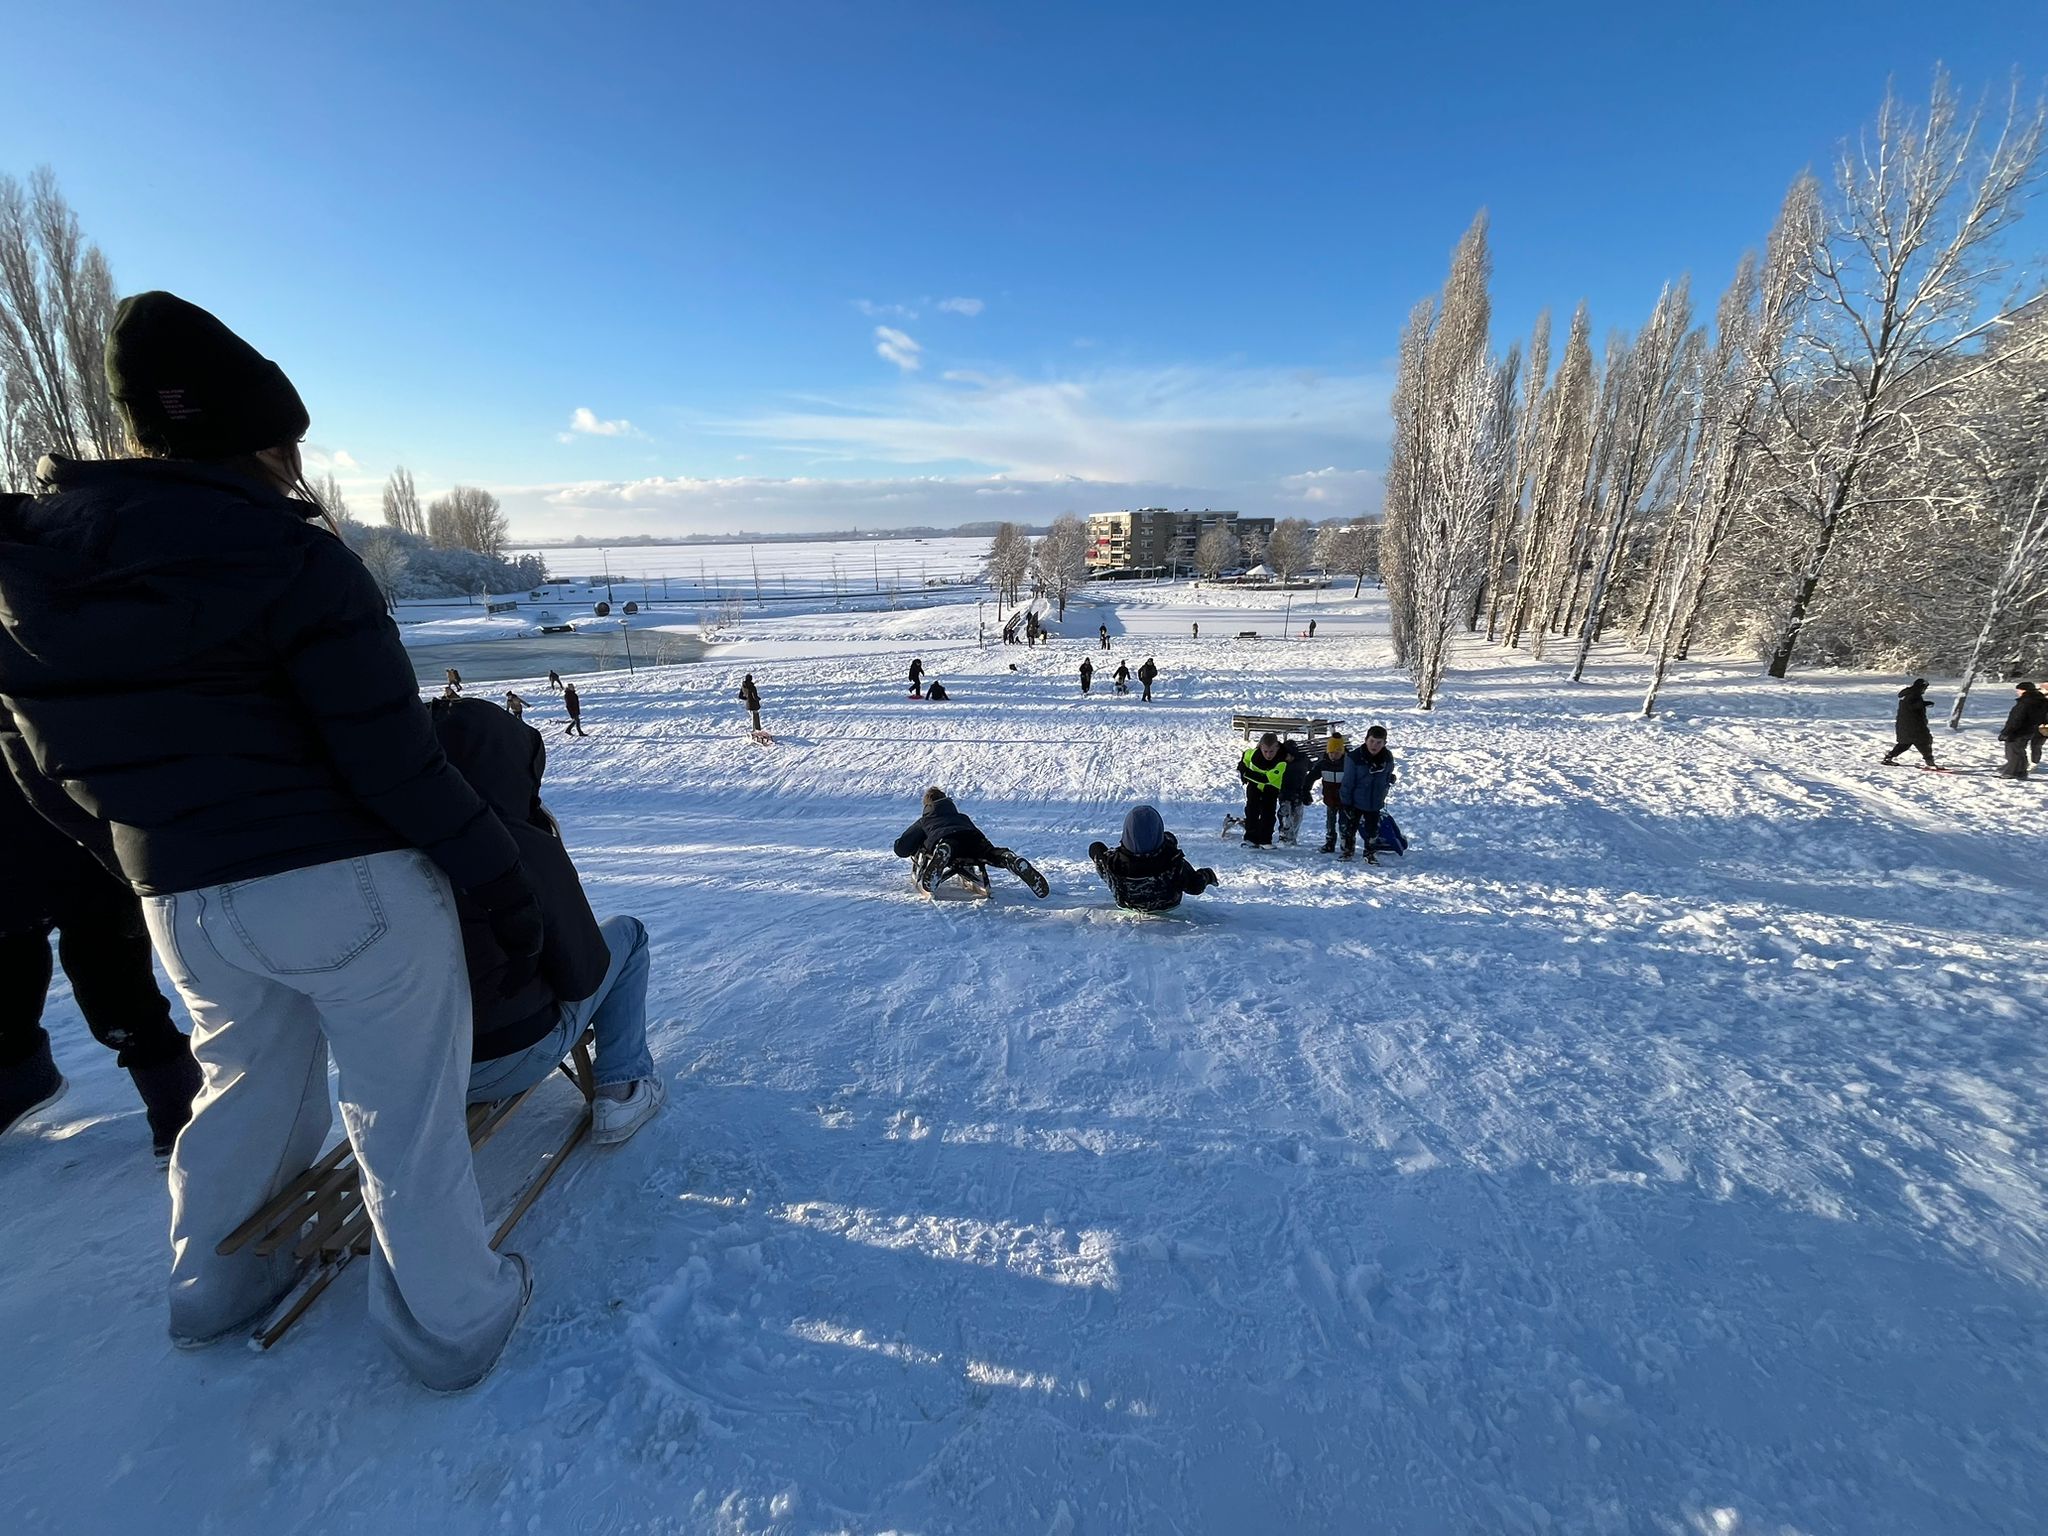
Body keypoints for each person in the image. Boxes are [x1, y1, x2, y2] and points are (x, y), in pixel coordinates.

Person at [0, 292, 531, 1389]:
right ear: (262, 438)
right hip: (348, 885)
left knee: (239, 1085)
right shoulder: (292, 556)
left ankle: (212, 1287)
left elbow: (33, 769)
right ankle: (451, 1320)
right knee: (403, 1105)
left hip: (182, 900)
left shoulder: (31, 574)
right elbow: (395, 763)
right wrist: (501, 877)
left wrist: (147, 862)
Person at [428, 698, 663, 1144]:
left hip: (409, 1070)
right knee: (627, 934)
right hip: (503, 1057)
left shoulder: (380, 854)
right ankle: (623, 1087)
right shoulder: (514, 843)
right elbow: (582, 973)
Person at [0, 771, 201, 1152]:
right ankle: (19, 1077)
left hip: (82, 838)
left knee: (115, 993)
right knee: (8, 967)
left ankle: (178, 1103)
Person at [892, 787, 1048, 897]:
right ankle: (1007, 857)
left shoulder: (925, 821)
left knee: (950, 845)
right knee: (988, 853)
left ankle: (944, 851)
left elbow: (902, 848)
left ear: (927, 806)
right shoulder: (962, 817)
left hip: (949, 841)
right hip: (974, 839)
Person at [1088, 805, 1218, 913]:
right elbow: (1194, 886)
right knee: (1170, 839)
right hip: (1168, 905)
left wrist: (1117, 851)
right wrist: (1207, 875)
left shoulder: (1113, 863)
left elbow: (1094, 849)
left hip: (1128, 904)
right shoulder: (1173, 862)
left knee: (1097, 846)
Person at [1340, 726, 1398, 862]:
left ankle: (1370, 853)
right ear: (1366, 740)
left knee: (1372, 829)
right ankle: (1348, 851)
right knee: (1350, 828)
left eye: (1379, 742)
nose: (1374, 745)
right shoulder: (1355, 757)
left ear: (1384, 743)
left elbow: (1387, 774)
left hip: (1375, 801)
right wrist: (1346, 803)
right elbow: (1347, 782)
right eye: (1372, 741)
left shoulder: (1387, 757)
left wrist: (1389, 780)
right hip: (1356, 801)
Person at [1237, 733, 1286, 848]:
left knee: (1268, 813)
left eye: (1271, 751)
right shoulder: (1252, 754)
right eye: (1265, 751)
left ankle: (1265, 840)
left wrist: (1246, 773)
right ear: (1260, 747)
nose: (1268, 755)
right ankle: (1250, 838)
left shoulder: (1282, 761)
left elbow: (1265, 779)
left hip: (1270, 788)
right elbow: (1244, 759)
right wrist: (1242, 767)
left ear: (1277, 748)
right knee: (1251, 811)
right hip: (1253, 787)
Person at [1997, 680, 2047, 780]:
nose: (2017, 692)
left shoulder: (2026, 702)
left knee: (2013, 752)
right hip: (2030, 729)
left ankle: (2013, 772)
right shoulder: (2039, 700)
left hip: (2019, 730)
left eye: (2019, 690)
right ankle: (2020, 772)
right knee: (2019, 751)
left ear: (2024, 690)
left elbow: (2017, 718)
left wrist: (2007, 731)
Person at [1881, 678, 1935, 768]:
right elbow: (1913, 705)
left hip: (1906, 725)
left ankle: (1888, 758)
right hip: (1913, 725)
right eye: (1925, 688)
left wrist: (1924, 704)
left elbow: (1913, 705)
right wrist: (1924, 704)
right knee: (1924, 741)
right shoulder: (1913, 694)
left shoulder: (1910, 693)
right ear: (1921, 687)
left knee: (1905, 743)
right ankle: (1930, 762)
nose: (1925, 690)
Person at [1276, 739, 1317, 845]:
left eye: (1287, 755)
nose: (1286, 757)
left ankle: (1292, 836)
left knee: (1297, 816)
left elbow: (1312, 768)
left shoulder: (1303, 760)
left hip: (1299, 792)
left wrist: (1307, 789)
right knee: (1284, 814)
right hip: (1284, 793)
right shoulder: (1280, 762)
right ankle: (1284, 836)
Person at [1317, 732, 1347, 852]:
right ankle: (1330, 842)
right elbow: (1311, 777)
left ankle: (1346, 844)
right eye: (1331, 753)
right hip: (1330, 800)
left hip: (1345, 801)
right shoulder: (1323, 764)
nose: (1334, 756)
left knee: (1344, 823)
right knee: (1330, 822)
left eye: (1337, 753)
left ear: (1342, 753)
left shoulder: (1348, 765)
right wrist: (1305, 789)